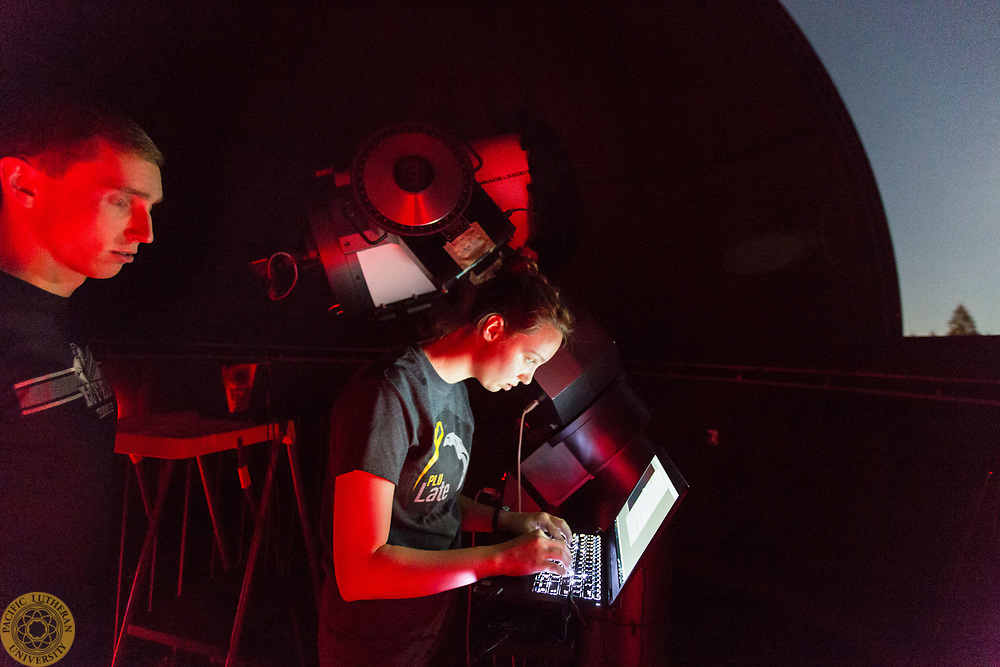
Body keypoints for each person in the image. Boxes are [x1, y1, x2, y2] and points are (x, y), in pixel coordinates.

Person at [317, 257, 576, 667]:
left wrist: (506, 521)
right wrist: (501, 559)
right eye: (530, 359)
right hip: (374, 643)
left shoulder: (455, 394)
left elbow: (430, 502)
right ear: (493, 329)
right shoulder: (387, 395)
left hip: (429, 625)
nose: (529, 378)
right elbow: (358, 572)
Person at [0, 94, 163, 666]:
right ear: (23, 183)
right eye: (121, 200)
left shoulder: (60, 318)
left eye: (151, 208)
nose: (144, 232)